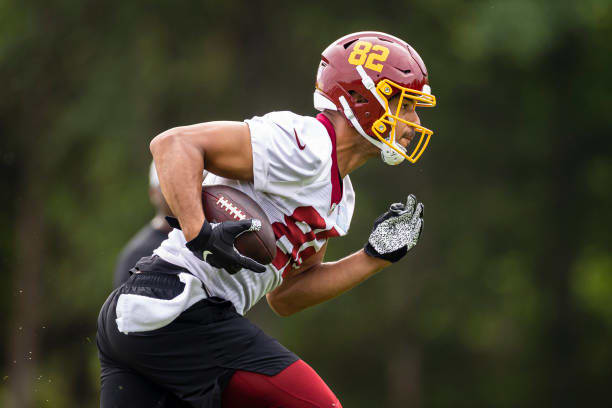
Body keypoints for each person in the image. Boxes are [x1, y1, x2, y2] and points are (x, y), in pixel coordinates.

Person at [96, 31, 436, 408]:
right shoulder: (304, 144)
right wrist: (199, 232)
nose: (413, 121)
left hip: (150, 319)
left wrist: (373, 258)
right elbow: (172, 144)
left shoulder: (341, 198)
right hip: (176, 305)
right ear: (361, 98)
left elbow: (286, 297)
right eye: (405, 105)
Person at [112, 161, 173, 288]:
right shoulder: (136, 256)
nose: (177, 191)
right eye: (168, 185)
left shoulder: (207, 237)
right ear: (153, 193)